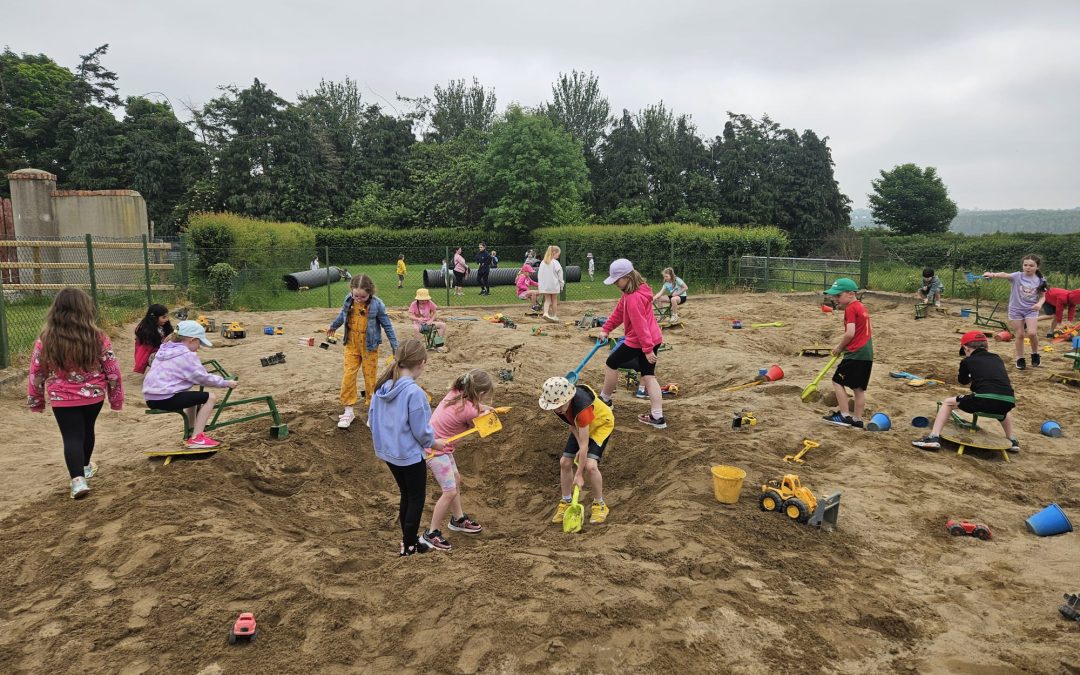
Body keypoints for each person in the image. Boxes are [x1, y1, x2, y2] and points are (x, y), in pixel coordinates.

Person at [27, 288, 124, 499]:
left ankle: (78, 481)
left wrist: (36, 400)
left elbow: (36, 372)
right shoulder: (98, 338)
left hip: (62, 397)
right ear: (85, 309)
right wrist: (116, 398)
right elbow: (112, 370)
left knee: (71, 436)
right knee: (87, 431)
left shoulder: (46, 339)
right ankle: (85, 466)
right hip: (93, 396)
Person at [369, 339, 444, 557]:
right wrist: (434, 443)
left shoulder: (382, 386)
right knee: (416, 498)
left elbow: (372, 419)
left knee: (406, 494)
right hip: (409, 455)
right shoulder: (414, 393)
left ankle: (408, 540)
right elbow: (421, 431)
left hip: (389, 453)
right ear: (422, 363)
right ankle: (410, 546)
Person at [420, 369, 493, 551]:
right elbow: (483, 424)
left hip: (439, 445)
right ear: (481, 393)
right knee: (449, 491)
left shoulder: (455, 393)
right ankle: (431, 533)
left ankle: (457, 519)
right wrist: (487, 413)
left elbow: (475, 408)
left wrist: (483, 408)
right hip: (435, 451)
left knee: (456, 479)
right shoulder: (469, 411)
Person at [913, 331, 1019, 453]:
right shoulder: (997, 358)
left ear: (966, 348)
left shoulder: (967, 361)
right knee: (1001, 408)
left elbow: (962, 381)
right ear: (986, 347)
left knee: (948, 403)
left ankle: (933, 437)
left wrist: (972, 377)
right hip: (1009, 400)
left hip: (984, 399)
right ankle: (1012, 440)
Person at [143, 320, 238, 449]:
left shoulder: (165, 350)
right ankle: (197, 438)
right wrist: (226, 383)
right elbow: (202, 377)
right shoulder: (187, 355)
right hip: (165, 397)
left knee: (193, 398)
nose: (199, 347)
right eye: (199, 343)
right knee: (210, 397)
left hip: (151, 398)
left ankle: (191, 432)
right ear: (192, 340)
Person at [597, 259, 667, 429]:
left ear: (628, 277)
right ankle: (658, 417)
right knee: (648, 375)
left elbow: (640, 325)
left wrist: (647, 349)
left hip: (640, 340)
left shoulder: (633, 298)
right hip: (653, 338)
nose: (615, 284)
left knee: (611, 362)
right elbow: (619, 312)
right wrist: (606, 329)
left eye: (617, 280)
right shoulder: (639, 289)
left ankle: (605, 399)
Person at [539, 376, 614, 525]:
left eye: (560, 406)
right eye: (554, 407)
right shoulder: (558, 406)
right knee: (565, 462)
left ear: (569, 398)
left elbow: (585, 445)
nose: (557, 410)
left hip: (600, 425)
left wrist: (579, 475)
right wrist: (580, 445)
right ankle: (566, 501)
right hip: (580, 426)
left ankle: (600, 505)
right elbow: (572, 425)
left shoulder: (582, 409)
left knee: (590, 466)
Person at [328, 274, 399, 428]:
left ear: (370, 293)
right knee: (348, 375)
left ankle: (372, 411)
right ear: (351, 291)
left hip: (369, 347)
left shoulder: (377, 305)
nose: (359, 299)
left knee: (370, 378)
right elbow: (342, 315)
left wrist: (395, 347)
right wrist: (333, 326)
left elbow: (387, 326)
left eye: (363, 297)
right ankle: (348, 411)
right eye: (356, 296)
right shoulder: (349, 300)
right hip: (351, 344)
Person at [821, 278, 873, 428]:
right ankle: (857, 420)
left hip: (855, 353)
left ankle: (844, 415)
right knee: (858, 389)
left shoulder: (851, 308)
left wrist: (839, 347)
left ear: (850, 294)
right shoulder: (862, 307)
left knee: (837, 381)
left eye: (838, 295)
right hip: (866, 354)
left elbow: (850, 333)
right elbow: (860, 332)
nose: (835, 298)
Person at [984, 254, 1048, 369]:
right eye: (1025, 265)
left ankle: (1035, 354)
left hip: (1031, 310)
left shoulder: (1040, 280)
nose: (1028, 267)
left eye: (1031, 265)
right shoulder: (1017, 276)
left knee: (1032, 333)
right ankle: (1020, 358)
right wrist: (992, 274)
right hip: (1015, 310)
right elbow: (1004, 274)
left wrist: (1039, 304)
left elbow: (1043, 297)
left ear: (1037, 267)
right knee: (1020, 334)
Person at [133, 303, 174, 374]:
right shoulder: (147, 332)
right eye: (164, 317)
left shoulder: (164, 326)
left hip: (162, 350)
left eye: (167, 317)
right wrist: (166, 341)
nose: (167, 319)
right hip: (152, 355)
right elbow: (148, 350)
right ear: (154, 318)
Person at [409, 288, 448, 353]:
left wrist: (431, 320)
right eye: (422, 300)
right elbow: (410, 316)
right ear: (418, 299)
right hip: (418, 324)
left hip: (428, 322)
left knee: (443, 325)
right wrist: (418, 319)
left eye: (425, 299)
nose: (424, 301)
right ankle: (417, 347)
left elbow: (435, 313)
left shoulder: (429, 302)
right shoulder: (414, 304)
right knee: (416, 329)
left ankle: (438, 345)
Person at [537, 245, 565, 322]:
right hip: (554, 285)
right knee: (554, 300)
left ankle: (545, 313)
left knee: (547, 300)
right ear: (554, 252)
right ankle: (555, 316)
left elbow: (539, 275)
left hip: (545, 285)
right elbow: (560, 275)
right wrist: (561, 285)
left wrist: (541, 285)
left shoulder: (543, 262)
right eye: (558, 254)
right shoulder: (555, 263)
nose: (558, 256)